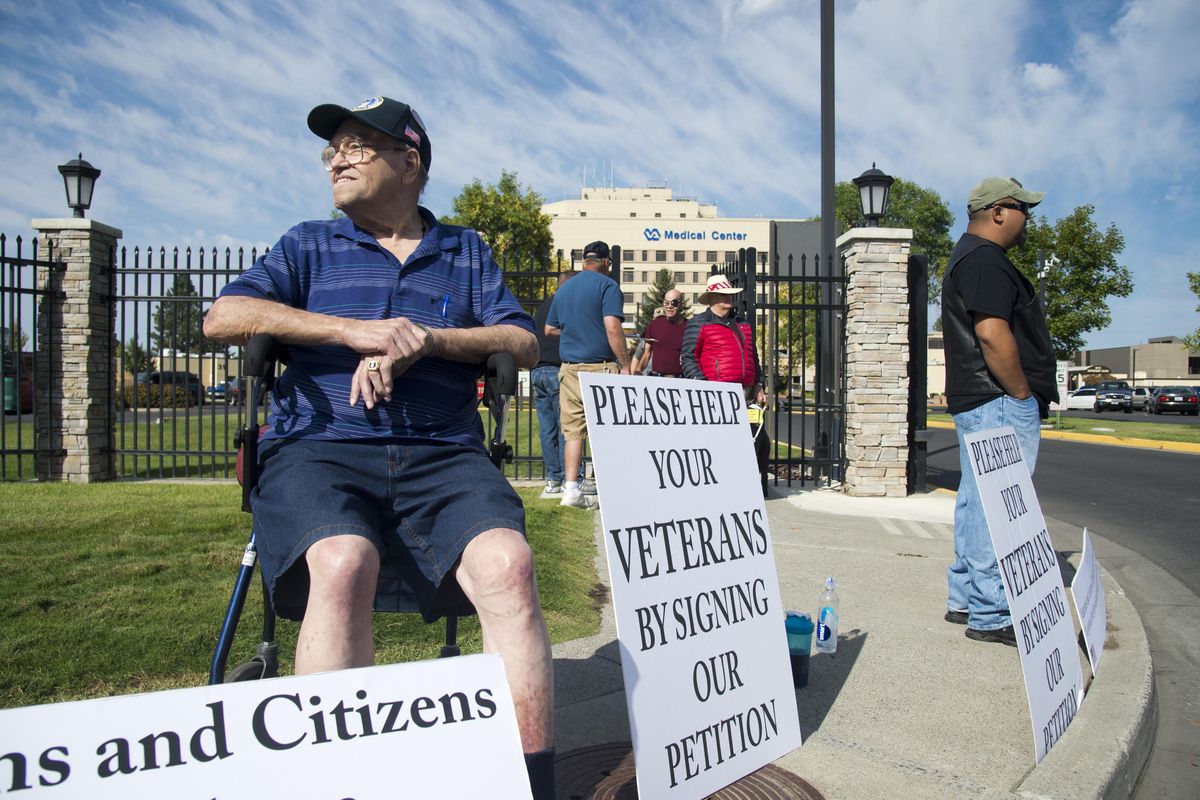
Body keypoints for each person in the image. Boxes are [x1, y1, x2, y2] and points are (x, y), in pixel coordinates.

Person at [203, 96, 556, 798]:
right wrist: (351, 331)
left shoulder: (464, 250)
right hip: (320, 449)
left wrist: (429, 340)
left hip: (442, 453)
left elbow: (521, 342)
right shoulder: (308, 243)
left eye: (358, 145)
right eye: (333, 148)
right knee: (342, 560)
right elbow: (224, 317)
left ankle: (530, 786)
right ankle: (330, 785)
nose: (338, 158)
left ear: (410, 158)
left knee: (510, 566)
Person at [941, 176, 1056, 647]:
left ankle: (967, 597)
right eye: (1024, 209)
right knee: (997, 505)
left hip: (980, 400)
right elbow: (991, 333)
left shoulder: (970, 256)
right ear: (999, 212)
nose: (1029, 219)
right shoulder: (986, 260)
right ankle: (991, 612)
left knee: (976, 499)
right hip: (997, 400)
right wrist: (1023, 395)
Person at [544, 241, 631, 509]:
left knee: (572, 432)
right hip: (601, 367)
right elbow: (613, 328)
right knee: (607, 431)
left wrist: (575, 331)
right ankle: (615, 487)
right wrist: (626, 365)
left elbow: (549, 329)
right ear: (606, 262)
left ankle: (571, 489)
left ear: (584, 262)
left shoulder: (564, 288)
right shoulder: (608, 286)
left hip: (569, 368)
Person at [681, 274, 770, 493]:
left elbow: (753, 356)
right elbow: (688, 358)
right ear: (711, 297)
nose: (728, 299)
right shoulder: (698, 324)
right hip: (715, 394)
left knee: (753, 443)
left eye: (729, 294)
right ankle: (716, 489)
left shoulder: (743, 325)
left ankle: (746, 487)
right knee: (717, 445)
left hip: (745, 393)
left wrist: (758, 384)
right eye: (723, 295)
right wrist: (703, 385)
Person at [531, 270, 584, 497]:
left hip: (537, 370)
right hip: (557, 370)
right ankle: (570, 477)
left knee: (547, 429)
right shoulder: (567, 304)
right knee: (568, 428)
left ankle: (552, 478)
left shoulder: (543, 306)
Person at [638, 289, 687, 377]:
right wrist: (637, 370)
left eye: (674, 303)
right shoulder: (654, 324)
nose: (669, 306)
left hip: (681, 380)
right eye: (666, 303)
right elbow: (646, 353)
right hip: (657, 379)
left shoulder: (690, 327)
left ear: (681, 305)